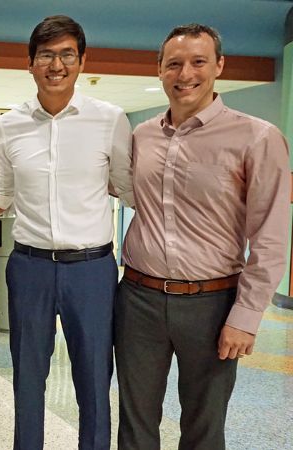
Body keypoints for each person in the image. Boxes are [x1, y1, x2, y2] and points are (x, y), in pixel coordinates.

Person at [115, 23, 290, 450]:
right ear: (159, 70)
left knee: (204, 428)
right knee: (135, 425)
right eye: (173, 64)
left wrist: (246, 317)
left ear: (219, 67)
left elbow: (270, 235)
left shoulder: (257, 136)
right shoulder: (143, 135)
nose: (185, 73)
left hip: (212, 303)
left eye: (198, 62)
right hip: (139, 299)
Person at [0, 15, 133, 450]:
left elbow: (127, 188)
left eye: (67, 54)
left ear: (82, 61)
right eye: (46, 55)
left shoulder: (109, 119)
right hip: (29, 266)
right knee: (27, 382)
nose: (56, 64)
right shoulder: (8, 125)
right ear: (29, 63)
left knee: (94, 381)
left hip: (92, 270)